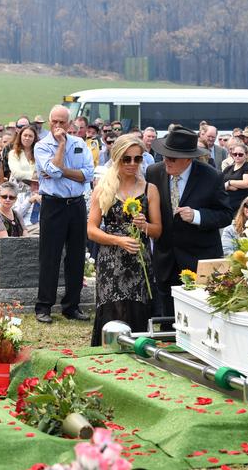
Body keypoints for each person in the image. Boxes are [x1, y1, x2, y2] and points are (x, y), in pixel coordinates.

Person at [146, 126, 233, 325]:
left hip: (198, 258)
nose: (166, 161)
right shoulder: (154, 172)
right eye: (165, 156)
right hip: (166, 258)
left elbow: (226, 214)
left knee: (199, 318)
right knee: (168, 318)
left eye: (172, 158)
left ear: (188, 159)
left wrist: (197, 216)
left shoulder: (211, 176)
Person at [88, 135, 162, 345]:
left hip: (139, 260)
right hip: (111, 260)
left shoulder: (150, 189)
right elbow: (91, 230)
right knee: (112, 309)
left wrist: (145, 226)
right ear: (116, 158)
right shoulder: (104, 188)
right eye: (126, 159)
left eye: (137, 159)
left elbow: (158, 231)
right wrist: (118, 240)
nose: (132, 164)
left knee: (137, 309)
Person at [34, 105, 94, 324]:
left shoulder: (79, 144)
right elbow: (52, 171)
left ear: (70, 124)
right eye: (55, 122)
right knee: (50, 256)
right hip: (53, 205)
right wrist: (60, 146)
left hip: (76, 204)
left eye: (63, 122)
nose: (59, 127)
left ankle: (72, 305)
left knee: (77, 256)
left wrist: (64, 173)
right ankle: (44, 306)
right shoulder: (42, 146)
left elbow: (88, 174)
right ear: (50, 122)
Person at [0, 182, 28, 265]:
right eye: (4, 196)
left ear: (15, 199)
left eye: (11, 197)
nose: (7, 199)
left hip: (17, 254)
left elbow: (26, 238)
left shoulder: (17, 214)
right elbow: (6, 241)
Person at [222, 142, 248, 211]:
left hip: (243, 206)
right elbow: (220, 185)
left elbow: (246, 184)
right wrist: (229, 187)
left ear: (246, 155)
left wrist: (229, 182)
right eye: (235, 154)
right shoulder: (228, 168)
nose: (237, 156)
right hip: (227, 205)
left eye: (240, 154)